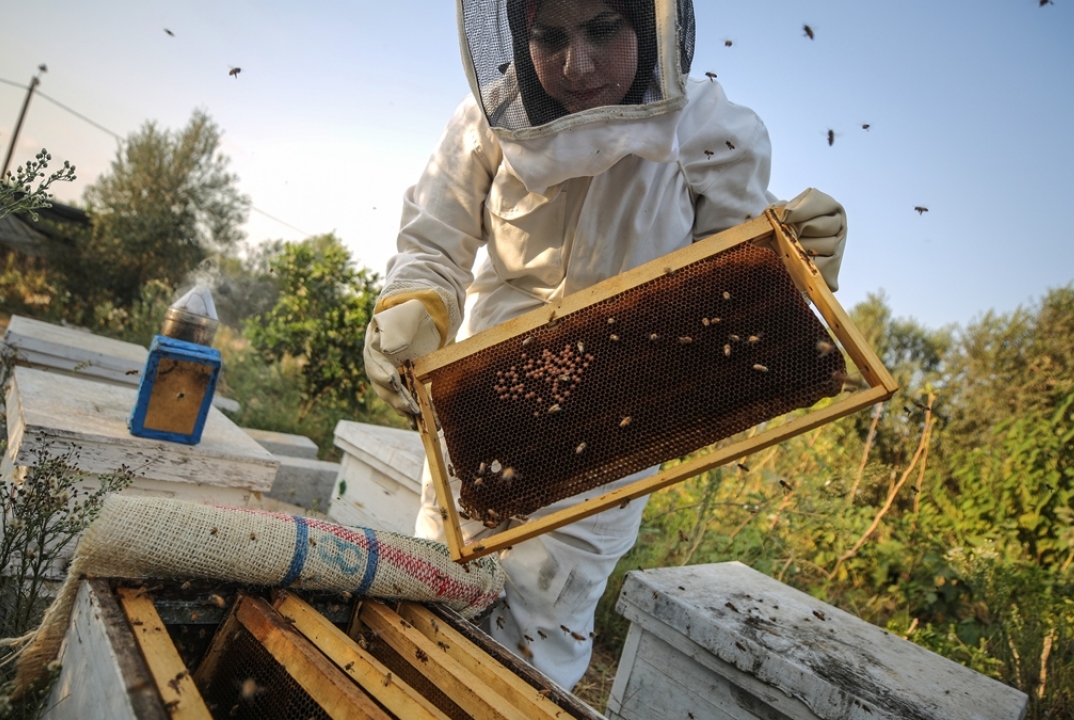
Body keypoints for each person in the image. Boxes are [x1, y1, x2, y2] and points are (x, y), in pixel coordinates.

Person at [363, 0, 847, 689]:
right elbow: (433, 243)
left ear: (650, 28)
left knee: (538, 639)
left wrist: (786, 277)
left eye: (601, 30)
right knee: (427, 586)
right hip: (480, 407)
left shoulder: (712, 129)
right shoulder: (484, 120)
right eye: (549, 36)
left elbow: (729, 310)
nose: (575, 64)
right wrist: (416, 302)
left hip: (616, 425)